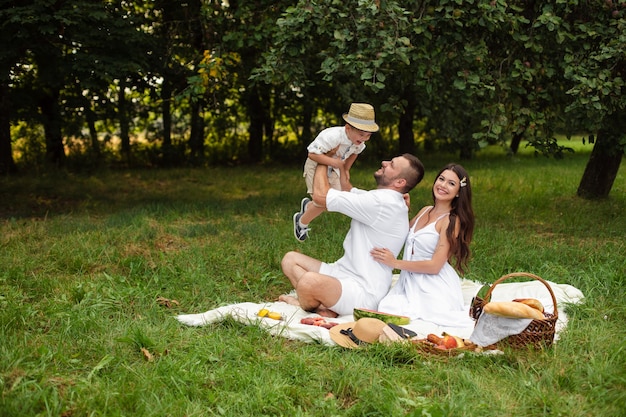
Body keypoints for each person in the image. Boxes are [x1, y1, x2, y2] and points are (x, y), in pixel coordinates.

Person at [279, 153, 425, 318]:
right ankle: (325, 306)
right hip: (341, 272)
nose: (384, 163)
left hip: (362, 291)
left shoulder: (381, 203)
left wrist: (323, 158)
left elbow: (320, 197)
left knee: (308, 282)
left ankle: (308, 305)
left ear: (400, 182)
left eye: (391, 164)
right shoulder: (383, 198)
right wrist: (342, 163)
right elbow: (347, 188)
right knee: (290, 260)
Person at [372, 163, 475, 328]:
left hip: (433, 283)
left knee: (424, 318)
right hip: (410, 280)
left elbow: (435, 266)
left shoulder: (451, 221)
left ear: (458, 193)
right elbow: (404, 233)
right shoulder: (425, 210)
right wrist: (402, 209)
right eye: (441, 179)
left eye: (451, 183)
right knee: (387, 307)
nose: (443, 185)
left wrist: (395, 263)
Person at [293, 103, 379, 242]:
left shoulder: (359, 142)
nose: (364, 138)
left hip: (335, 167)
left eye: (368, 135)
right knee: (322, 201)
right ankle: (301, 222)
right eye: (361, 134)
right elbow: (312, 155)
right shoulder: (332, 136)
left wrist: (345, 169)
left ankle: (308, 207)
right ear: (348, 128)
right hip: (316, 165)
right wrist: (334, 163)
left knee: (335, 201)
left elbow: (354, 153)